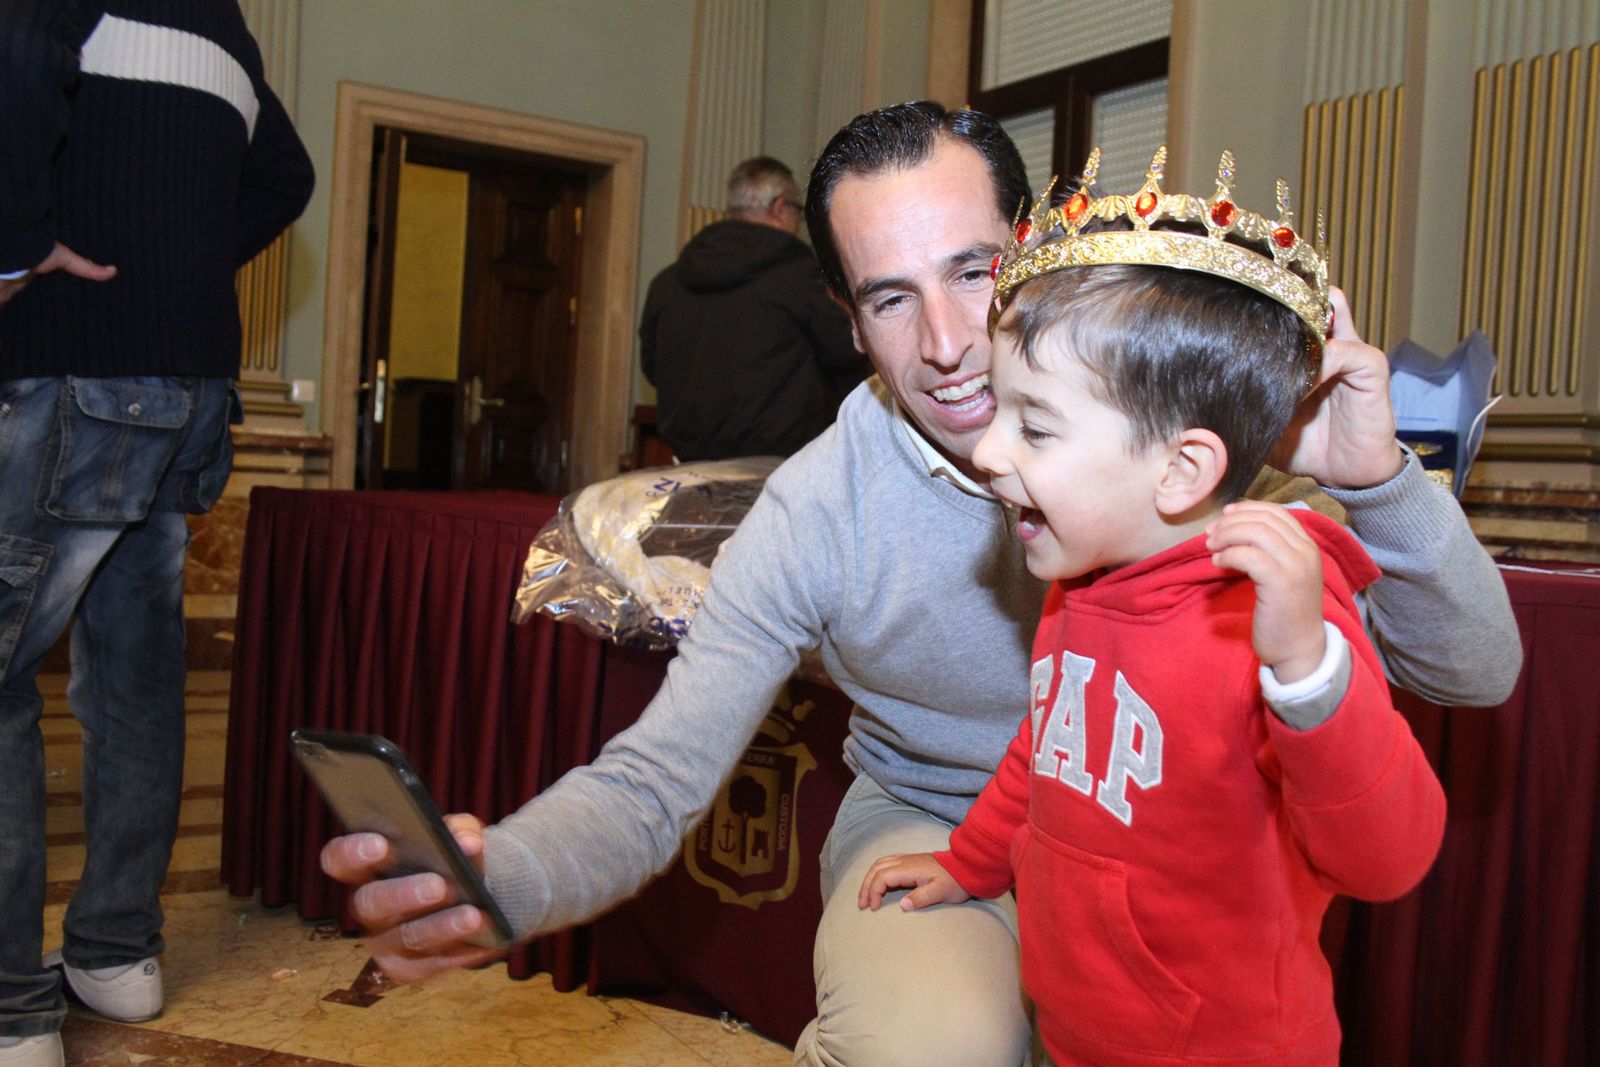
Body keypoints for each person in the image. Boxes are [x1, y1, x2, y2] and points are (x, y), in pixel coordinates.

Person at [321, 103, 1517, 1067]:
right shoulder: (817, 507)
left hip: (1177, 859)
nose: (946, 341)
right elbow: (655, 776)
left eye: (974, 271)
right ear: (846, 319)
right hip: (943, 828)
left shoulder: (1185, 444)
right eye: (892, 297)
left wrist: (1374, 480)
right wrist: (503, 880)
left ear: (1036, 252)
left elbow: (1472, 672)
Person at [857, 153, 1447, 1065]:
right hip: (1079, 1028)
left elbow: (1388, 859)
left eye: (1036, 425)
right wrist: (969, 861)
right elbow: (1046, 754)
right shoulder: (1081, 582)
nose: (988, 454)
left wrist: (1309, 676)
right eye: (1002, 413)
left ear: (1182, 471)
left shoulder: (1278, 611)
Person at [0, 3, 313, 1064]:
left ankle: (11, 1007)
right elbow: (287, 175)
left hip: (73, 363)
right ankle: (117, 955)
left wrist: (17, 248)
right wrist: (172, 262)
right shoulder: (221, 20)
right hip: (188, 385)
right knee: (133, 674)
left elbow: (15, 52)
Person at [640, 156, 869, 460]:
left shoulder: (666, 283)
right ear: (779, 207)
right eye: (797, 213)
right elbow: (851, 352)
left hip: (690, 467)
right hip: (781, 470)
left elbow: (653, 369)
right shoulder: (802, 277)